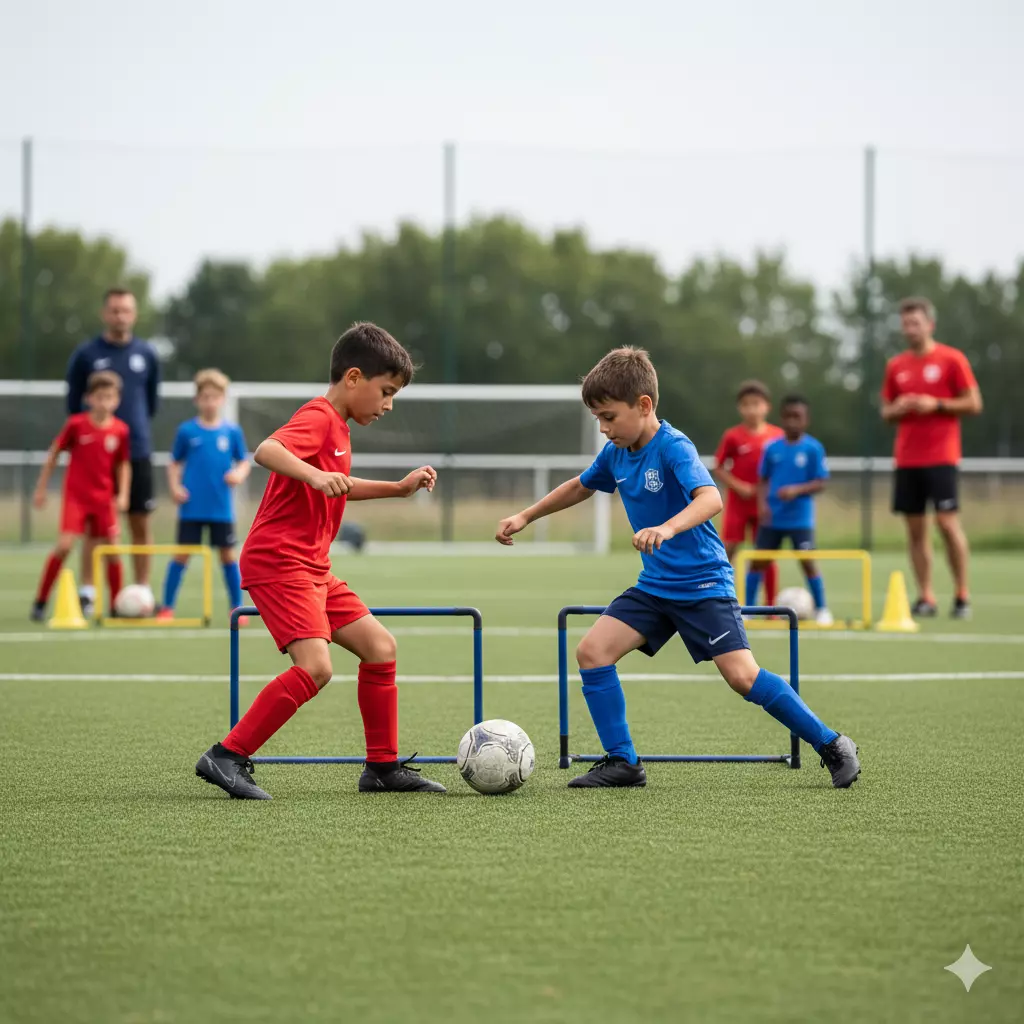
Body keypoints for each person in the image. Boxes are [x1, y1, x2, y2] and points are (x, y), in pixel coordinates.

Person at [495, 347, 859, 790]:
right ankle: (623, 762)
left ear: (644, 405)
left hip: (703, 584)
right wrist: (526, 516)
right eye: (598, 419)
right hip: (655, 587)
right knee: (592, 652)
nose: (604, 428)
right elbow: (580, 486)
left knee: (743, 677)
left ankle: (833, 744)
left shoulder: (673, 446)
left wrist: (666, 528)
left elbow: (711, 498)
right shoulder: (616, 453)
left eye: (609, 417)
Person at [194, 323, 444, 800]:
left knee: (380, 647)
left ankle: (382, 768)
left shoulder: (339, 428)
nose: (389, 405)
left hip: (312, 567)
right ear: (354, 378)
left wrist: (398, 488)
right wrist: (312, 475)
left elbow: (339, 485)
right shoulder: (318, 416)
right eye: (386, 392)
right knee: (316, 668)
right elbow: (267, 450)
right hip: (279, 561)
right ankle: (226, 756)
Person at [881, 296, 983, 619]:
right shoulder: (896, 365)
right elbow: (885, 411)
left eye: (916, 322)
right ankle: (926, 596)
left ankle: (962, 595)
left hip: (942, 456)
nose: (910, 329)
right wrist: (898, 409)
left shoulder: (952, 359)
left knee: (947, 523)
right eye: (905, 323)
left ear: (930, 324)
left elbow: (974, 403)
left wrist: (935, 404)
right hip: (907, 459)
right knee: (915, 531)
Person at [66, 288, 160, 588]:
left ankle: (141, 590)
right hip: (98, 457)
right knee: (95, 529)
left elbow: (151, 403)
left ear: (134, 314)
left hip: (137, 450)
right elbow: (73, 405)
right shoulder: (86, 355)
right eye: (115, 310)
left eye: (126, 310)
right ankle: (89, 591)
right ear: (104, 314)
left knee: (140, 522)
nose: (120, 316)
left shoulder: (147, 354)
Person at [31, 371, 130, 620]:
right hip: (77, 497)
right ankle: (41, 601)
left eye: (110, 397)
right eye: (100, 396)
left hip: (104, 499)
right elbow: (54, 453)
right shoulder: (76, 424)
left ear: (117, 400)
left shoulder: (120, 430)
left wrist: (123, 494)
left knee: (112, 549)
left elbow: (123, 464)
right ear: (89, 398)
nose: (104, 402)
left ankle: (116, 605)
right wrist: (41, 488)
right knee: (65, 545)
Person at [157, 369, 250, 623]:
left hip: (221, 508)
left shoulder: (231, 432)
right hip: (192, 507)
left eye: (215, 397)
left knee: (228, 556)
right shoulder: (187, 431)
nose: (210, 402)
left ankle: (236, 608)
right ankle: (166, 608)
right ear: (197, 400)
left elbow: (244, 462)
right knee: (181, 555)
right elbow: (174, 463)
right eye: (205, 397)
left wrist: (238, 474)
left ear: (222, 399)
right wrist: (175, 487)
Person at [746, 395, 833, 625]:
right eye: (788, 416)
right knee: (758, 561)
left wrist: (797, 490)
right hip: (773, 517)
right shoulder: (772, 448)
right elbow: (763, 480)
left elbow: (821, 482)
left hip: (800, 519)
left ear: (806, 420)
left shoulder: (813, 448)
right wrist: (762, 505)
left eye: (797, 416)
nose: (792, 421)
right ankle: (749, 610)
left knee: (807, 561)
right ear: (782, 419)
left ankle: (822, 609)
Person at [713, 380, 784, 605]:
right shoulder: (733, 436)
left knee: (765, 554)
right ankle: (718, 599)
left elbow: (782, 469)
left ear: (767, 406)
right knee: (728, 550)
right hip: (738, 504)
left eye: (756, 404)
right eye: (746, 404)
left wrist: (772, 490)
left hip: (765, 506)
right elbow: (718, 467)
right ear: (739, 408)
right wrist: (738, 485)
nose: (752, 409)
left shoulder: (777, 436)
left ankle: (770, 606)